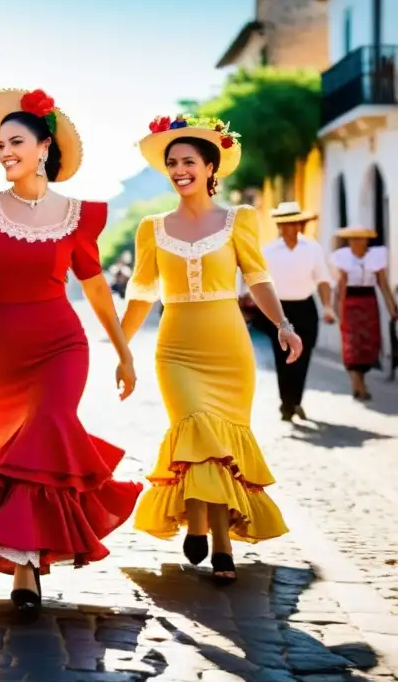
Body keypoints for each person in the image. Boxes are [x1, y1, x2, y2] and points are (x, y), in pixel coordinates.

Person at [0, 88, 141, 620]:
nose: (5, 152)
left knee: (48, 423)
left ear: (44, 145)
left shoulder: (79, 214)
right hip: (4, 344)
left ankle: (25, 567)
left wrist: (123, 352)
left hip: (62, 341)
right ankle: (29, 554)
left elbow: (95, 288)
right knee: (21, 449)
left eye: (16, 141)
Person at [121, 115, 302, 584]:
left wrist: (282, 323)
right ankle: (202, 527)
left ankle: (218, 538)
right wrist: (121, 347)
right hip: (176, 346)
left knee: (221, 444)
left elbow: (259, 278)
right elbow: (141, 292)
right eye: (172, 163)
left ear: (209, 167)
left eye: (189, 162)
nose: (180, 170)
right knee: (195, 432)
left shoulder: (239, 219)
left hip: (228, 346)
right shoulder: (151, 227)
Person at [249, 201, 334, 421]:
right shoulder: (267, 251)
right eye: (287, 224)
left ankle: (296, 401)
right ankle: (286, 404)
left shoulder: (313, 248)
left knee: (303, 356)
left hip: (305, 307)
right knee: (282, 357)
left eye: (296, 223)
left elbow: (323, 280)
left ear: (301, 225)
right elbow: (259, 283)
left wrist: (327, 306)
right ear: (279, 226)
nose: (292, 228)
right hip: (279, 311)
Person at [330, 227, 396, 400]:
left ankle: (361, 379)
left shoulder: (376, 256)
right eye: (353, 239)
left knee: (369, 342)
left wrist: (392, 308)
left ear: (366, 241)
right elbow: (340, 286)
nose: (356, 243)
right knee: (352, 343)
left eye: (360, 239)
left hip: (369, 302)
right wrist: (336, 309)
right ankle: (357, 383)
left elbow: (383, 284)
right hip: (350, 302)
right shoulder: (343, 257)